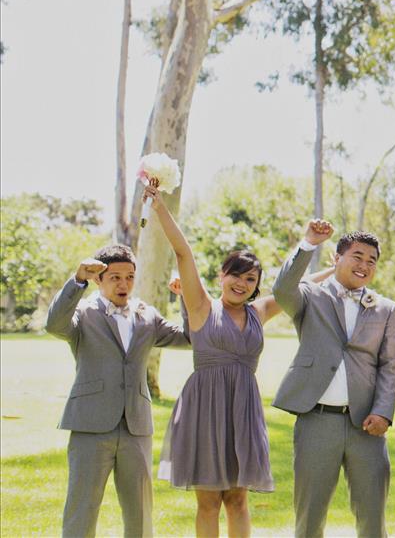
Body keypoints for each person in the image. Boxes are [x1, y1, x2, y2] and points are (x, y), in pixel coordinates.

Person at [146, 185, 284, 537]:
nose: (242, 283)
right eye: (236, 274)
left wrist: (317, 252)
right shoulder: (200, 306)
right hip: (204, 408)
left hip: (243, 410)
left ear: (256, 286)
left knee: (238, 500)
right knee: (208, 502)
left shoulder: (259, 312)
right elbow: (183, 252)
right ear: (222, 275)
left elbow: (293, 287)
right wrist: (159, 207)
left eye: (250, 279)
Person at [45, 243, 189, 537]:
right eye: (115, 277)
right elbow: (54, 325)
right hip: (90, 424)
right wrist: (78, 281)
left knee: (140, 512)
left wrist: (186, 298)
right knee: (81, 509)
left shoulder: (147, 315)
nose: (124, 284)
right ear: (98, 279)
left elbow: (190, 338)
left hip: (136, 426)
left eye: (130, 277)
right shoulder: (83, 313)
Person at [272, 224, 395, 538]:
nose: (364, 265)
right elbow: (282, 289)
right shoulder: (310, 296)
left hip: (366, 425)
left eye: (371, 261)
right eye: (357, 257)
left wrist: (383, 412)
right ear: (336, 258)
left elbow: (391, 365)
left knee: (373, 518)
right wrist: (308, 243)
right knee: (309, 516)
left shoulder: (385, 309)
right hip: (316, 421)